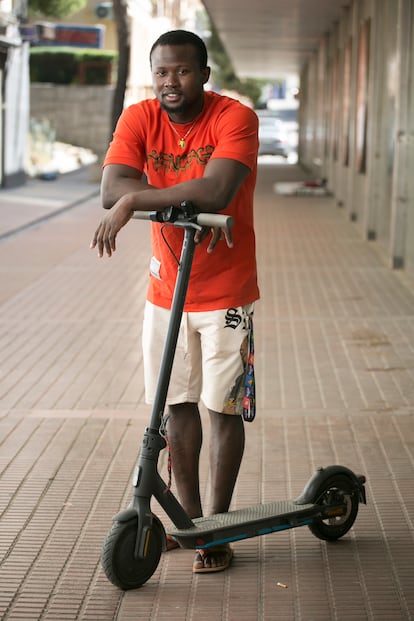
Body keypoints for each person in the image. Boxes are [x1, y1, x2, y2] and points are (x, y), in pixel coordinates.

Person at [90, 29, 259, 574]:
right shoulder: (139, 117)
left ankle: (219, 525)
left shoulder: (234, 118)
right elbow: (109, 188)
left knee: (222, 408)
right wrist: (130, 194)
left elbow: (216, 192)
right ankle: (190, 525)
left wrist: (141, 196)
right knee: (176, 406)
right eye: (162, 71)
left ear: (204, 75)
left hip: (226, 292)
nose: (170, 81)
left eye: (183, 71)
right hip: (167, 289)